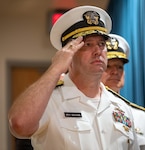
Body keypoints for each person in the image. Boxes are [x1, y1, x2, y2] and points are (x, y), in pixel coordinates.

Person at [8, 6, 139, 150]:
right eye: (88, 44)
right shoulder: (50, 101)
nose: (98, 51)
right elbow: (19, 124)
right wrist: (56, 68)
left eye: (102, 44)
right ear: (69, 53)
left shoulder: (121, 107)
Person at [101, 33, 145, 149]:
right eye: (108, 66)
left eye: (120, 67)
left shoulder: (140, 116)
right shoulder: (87, 109)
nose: (115, 72)